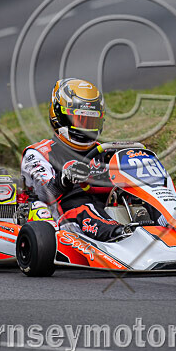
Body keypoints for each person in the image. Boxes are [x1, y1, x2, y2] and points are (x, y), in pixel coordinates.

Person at [20, 78, 126, 241]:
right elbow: (43, 193)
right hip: (61, 218)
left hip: (106, 210)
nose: (86, 128)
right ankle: (119, 235)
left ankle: (170, 224)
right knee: (84, 207)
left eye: (91, 121)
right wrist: (64, 179)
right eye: (80, 120)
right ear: (59, 116)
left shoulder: (106, 151)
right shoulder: (39, 153)